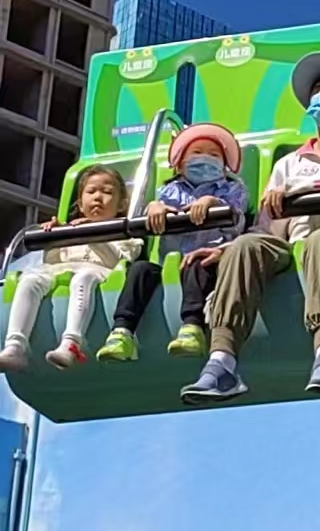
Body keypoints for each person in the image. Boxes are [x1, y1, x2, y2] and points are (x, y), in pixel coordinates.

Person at [182, 54, 320, 404]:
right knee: (245, 247)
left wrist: (297, 194)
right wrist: (227, 249)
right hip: (297, 241)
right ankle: (222, 362)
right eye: (318, 90)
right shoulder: (289, 164)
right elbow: (268, 226)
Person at [96, 123, 248, 365]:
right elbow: (153, 214)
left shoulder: (232, 189)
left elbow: (237, 221)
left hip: (209, 257)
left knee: (198, 263)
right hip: (170, 262)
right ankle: (122, 331)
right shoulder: (169, 190)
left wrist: (213, 202)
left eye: (214, 155)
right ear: (180, 163)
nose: (205, 158)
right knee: (140, 269)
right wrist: (153, 208)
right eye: (197, 153)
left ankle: (192, 326)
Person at [0, 164, 139, 371]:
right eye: (91, 192)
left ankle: (71, 342)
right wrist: (55, 237)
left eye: (107, 192)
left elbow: (117, 261)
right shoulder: (72, 229)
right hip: (63, 270)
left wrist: (90, 233)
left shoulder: (125, 234)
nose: (98, 197)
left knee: (83, 278)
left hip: (99, 272)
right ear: (81, 204)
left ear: (121, 204)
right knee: (30, 279)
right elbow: (54, 261)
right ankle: (15, 346)